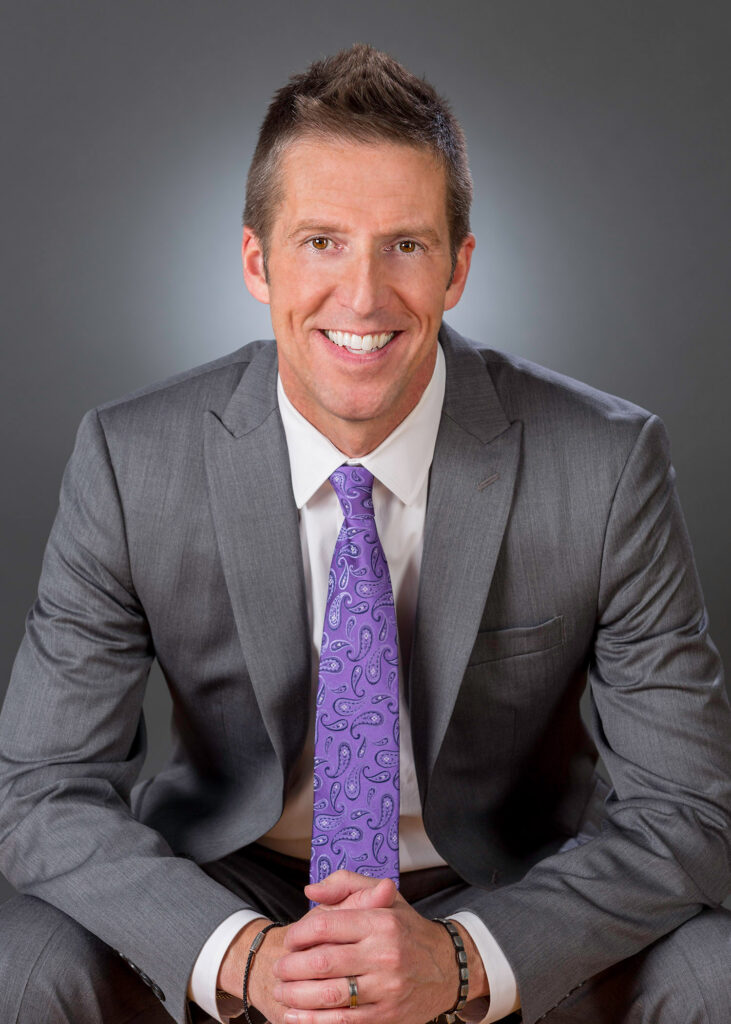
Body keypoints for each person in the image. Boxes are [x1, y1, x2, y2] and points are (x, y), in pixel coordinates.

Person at [0, 43, 729, 1024]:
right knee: (23, 962)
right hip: (225, 884)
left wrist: (467, 961)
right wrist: (242, 956)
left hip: (504, 890)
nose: (362, 296)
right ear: (256, 261)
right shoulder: (132, 461)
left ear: (458, 267)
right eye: (321, 242)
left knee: (711, 972)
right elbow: (40, 789)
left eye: (406, 244)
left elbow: (689, 808)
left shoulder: (604, 465)